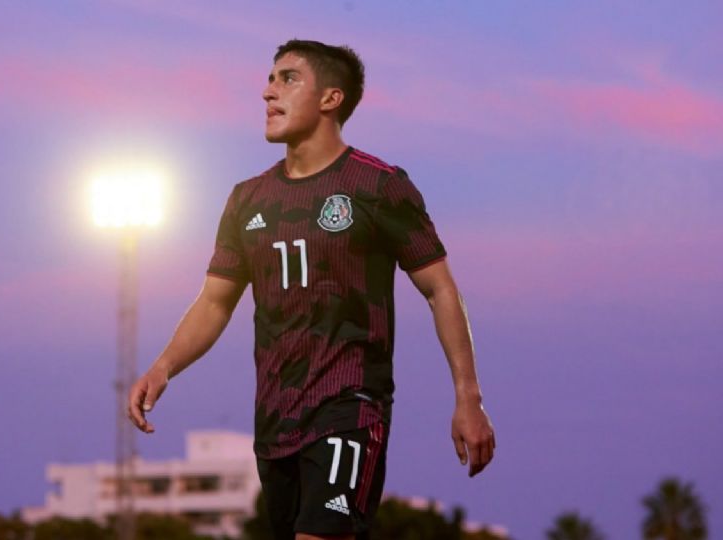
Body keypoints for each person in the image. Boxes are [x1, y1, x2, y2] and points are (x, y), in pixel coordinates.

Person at [127, 39, 495, 540]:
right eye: (270, 79)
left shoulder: (378, 186)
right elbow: (214, 302)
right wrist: (163, 366)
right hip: (275, 419)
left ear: (330, 98)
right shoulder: (247, 199)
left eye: (288, 79)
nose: (268, 92)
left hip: (351, 405)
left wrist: (468, 397)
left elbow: (441, 290)